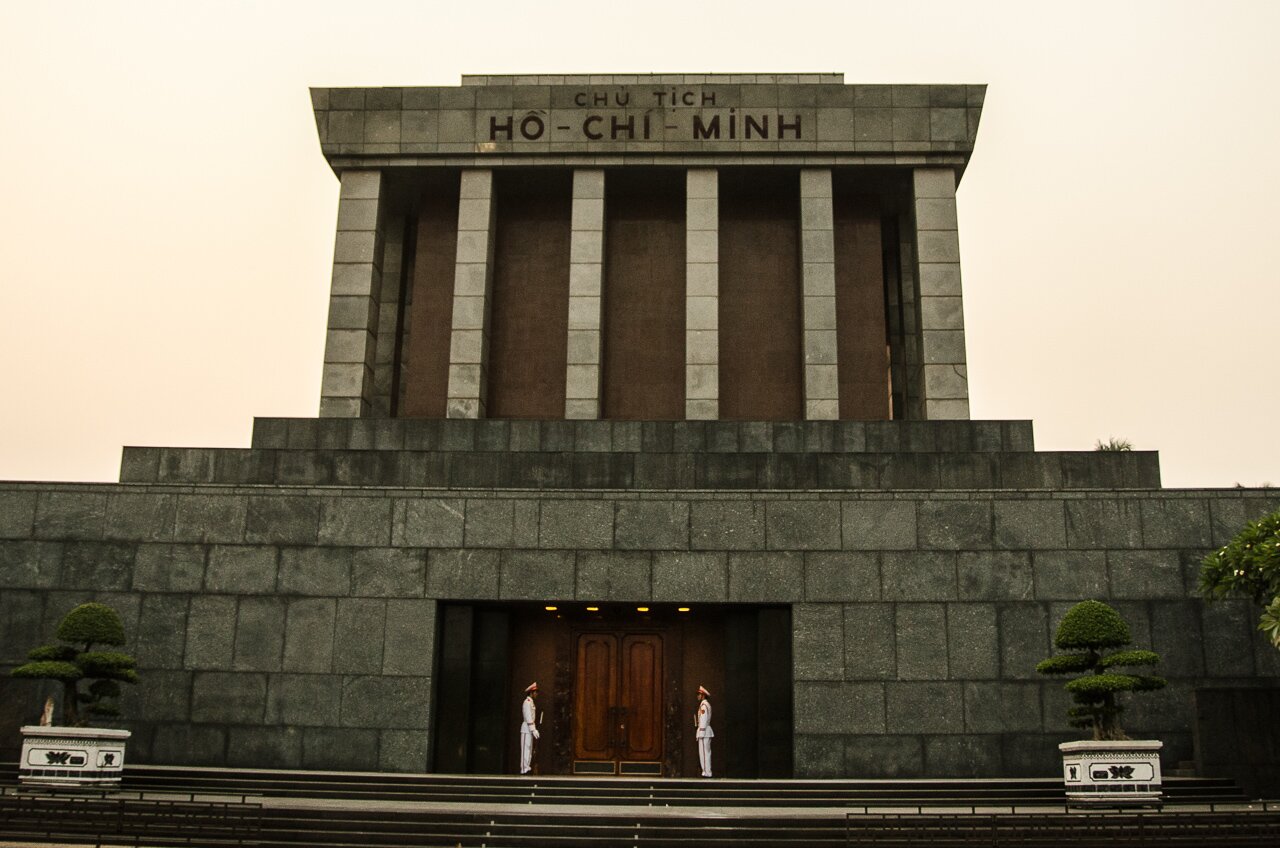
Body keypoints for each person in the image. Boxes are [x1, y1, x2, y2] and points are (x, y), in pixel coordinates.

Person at [519, 682, 540, 774]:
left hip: (530, 729)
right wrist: (533, 729)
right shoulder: (527, 702)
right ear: (531, 693)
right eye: (535, 692)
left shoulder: (531, 702)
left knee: (529, 749)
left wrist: (534, 729)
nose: (536, 694)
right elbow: (528, 717)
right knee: (525, 750)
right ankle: (524, 768)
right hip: (526, 729)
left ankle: (527, 767)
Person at [695, 685, 714, 777]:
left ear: (703, 695)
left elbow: (703, 719)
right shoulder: (706, 705)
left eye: (699, 694)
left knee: (704, 753)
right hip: (706, 731)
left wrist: (701, 732)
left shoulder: (703, 706)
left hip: (704, 732)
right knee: (706, 752)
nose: (698, 696)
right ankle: (707, 771)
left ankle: (706, 772)